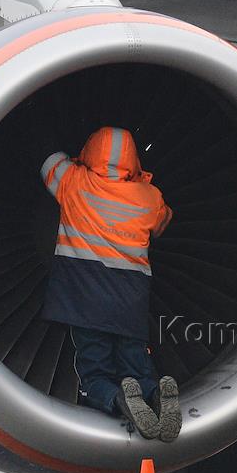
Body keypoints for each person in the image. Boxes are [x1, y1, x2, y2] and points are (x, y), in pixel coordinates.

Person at [39, 125, 181, 442]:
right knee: (136, 362)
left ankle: (117, 400)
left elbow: (49, 161)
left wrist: (75, 160)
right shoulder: (149, 198)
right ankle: (154, 391)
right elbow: (163, 222)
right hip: (130, 300)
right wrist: (141, 182)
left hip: (84, 299)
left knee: (95, 370)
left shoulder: (74, 183)